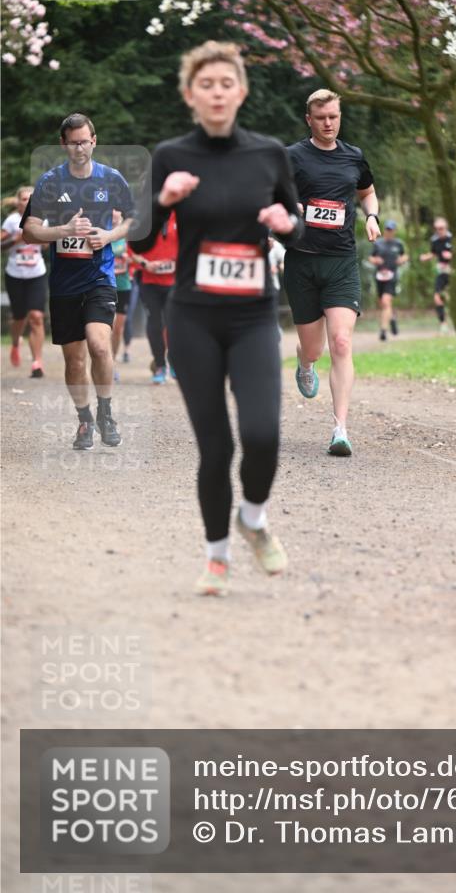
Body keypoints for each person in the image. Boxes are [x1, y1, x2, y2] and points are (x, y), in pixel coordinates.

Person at [130, 41, 304, 597]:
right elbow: (141, 236)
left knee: (262, 434)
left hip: (253, 315)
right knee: (216, 448)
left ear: (241, 91)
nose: (217, 93)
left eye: (226, 83)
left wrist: (286, 224)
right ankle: (216, 558)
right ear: (190, 95)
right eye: (205, 85)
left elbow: (297, 222)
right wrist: (163, 197)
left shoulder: (270, 154)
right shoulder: (171, 154)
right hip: (193, 318)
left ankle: (252, 518)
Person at [21, 113, 135, 449]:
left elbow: (133, 218)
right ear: (63, 144)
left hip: (100, 276)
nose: (80, 148)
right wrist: (64, 231)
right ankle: (85, 420)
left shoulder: (111, 178)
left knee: (99, 344)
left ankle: (106, 412)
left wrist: (109, 235)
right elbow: (29, 231)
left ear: (94, 141)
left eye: (85, 141)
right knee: (75, 359)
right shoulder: (50, 182)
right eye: (73, 142)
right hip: (64, 284)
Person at [285, 89, 380, 457]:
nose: (328, 123)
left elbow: (367, 192)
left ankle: (340, 429)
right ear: (309, 119)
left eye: (334, 117)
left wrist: (371, 215)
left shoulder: (354, 156)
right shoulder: (292, 156)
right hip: (302, 261)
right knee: (315, 347)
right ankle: (304, 360)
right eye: (321, 117)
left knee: (341, 342)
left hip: (341, 260)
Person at [1, 186, 47, 377]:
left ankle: (37, 362)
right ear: (18, 202)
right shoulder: (11, 221)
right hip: (15, 274)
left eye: (31, 198)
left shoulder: (43, 220)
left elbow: (47, 245)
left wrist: (41, 238)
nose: (27, 202)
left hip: (37, 273)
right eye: (24, 198)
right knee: (19, 317)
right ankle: (15, 343)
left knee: (36, 316)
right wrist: (17, 238)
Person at [130, 210, 178, 384]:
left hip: (174, 281)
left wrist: (175, 262)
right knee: (155, 322)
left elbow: (191, 243)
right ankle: (159, 364)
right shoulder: (143, 218)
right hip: (148, 280)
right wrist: (145, 263)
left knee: (174, 322)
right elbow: (130, 250)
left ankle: (174, 362)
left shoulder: (180, 215)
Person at [368, 219, 408, 340]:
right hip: (379, 276)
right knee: (384, 304)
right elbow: (371, 257)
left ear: (394, 231)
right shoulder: (378, 243)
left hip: (392, 276)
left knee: (386, 301)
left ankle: (383, 331)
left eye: (391, 230)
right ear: (384, 230)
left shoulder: (398, 244)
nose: (389, 232)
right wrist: (375, 260)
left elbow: (405, 255)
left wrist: (402, 260)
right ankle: (392, 319)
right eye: (387, 229)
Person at [419, 216, 453, 332]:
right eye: (437, 228)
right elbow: (433, 253)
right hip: (441, 273)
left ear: (446, 228)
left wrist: (452, 256)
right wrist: (425, 257)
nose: (439, 231)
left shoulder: (452, 238)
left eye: (441, 228)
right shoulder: (434, 240)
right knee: (437, 298)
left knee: (451, 298)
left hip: (454, 273)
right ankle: (443, 324)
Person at [109, 216, 132, 381]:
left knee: (118, 329)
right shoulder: (101, 233)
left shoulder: (128, 236)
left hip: (124, 285)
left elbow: (136, 255)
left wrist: (129, 258)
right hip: (105, 285)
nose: (114, 215)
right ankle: (107, 363)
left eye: (117, 213)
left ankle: (113, 360)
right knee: (107, 326)